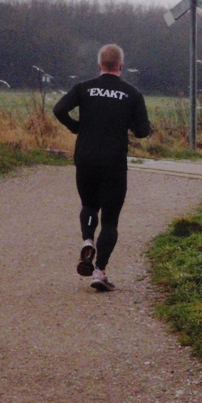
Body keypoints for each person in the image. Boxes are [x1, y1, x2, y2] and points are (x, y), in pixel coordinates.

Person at [53, 44, 151, 292]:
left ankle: (87, 240)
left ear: (99, 65)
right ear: (121, 66)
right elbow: (142, 131)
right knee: (110, 221)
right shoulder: (132, 94)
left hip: (85, 159)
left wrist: (75, 127)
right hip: (113, 162)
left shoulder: (84, 88)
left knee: (88, 205)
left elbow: (58, 109)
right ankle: (99, 271)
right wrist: (127, 121)